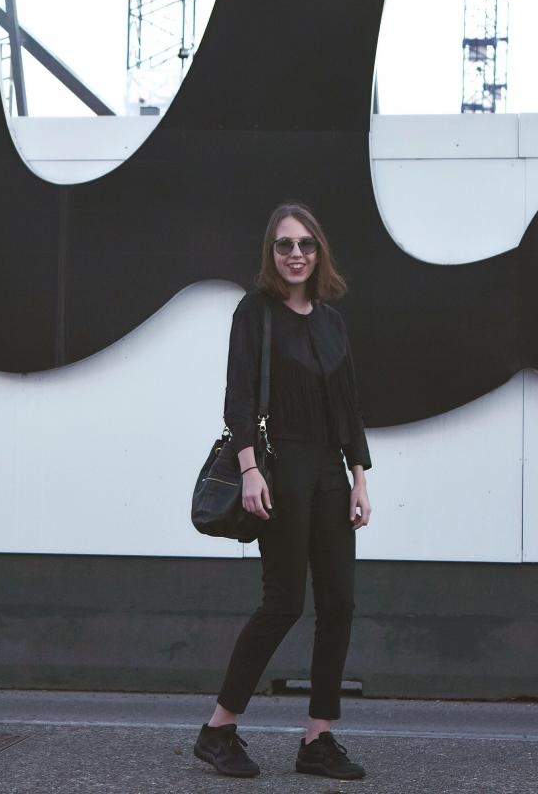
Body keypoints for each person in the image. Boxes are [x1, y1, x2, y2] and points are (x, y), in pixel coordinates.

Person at [193, 201, 372, 781]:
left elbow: (347, 406)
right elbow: (239, 398)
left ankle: (318, 740)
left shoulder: (331, 321)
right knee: (284, 603)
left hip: (330, 473)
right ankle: (218, 729)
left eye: (306, 244)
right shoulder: (255, 312)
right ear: (271, 253)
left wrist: (359, 477)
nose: (296, 254)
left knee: (339, 602)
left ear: (319, 252)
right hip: (280, 468)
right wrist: (250, 469)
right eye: (285, 245)